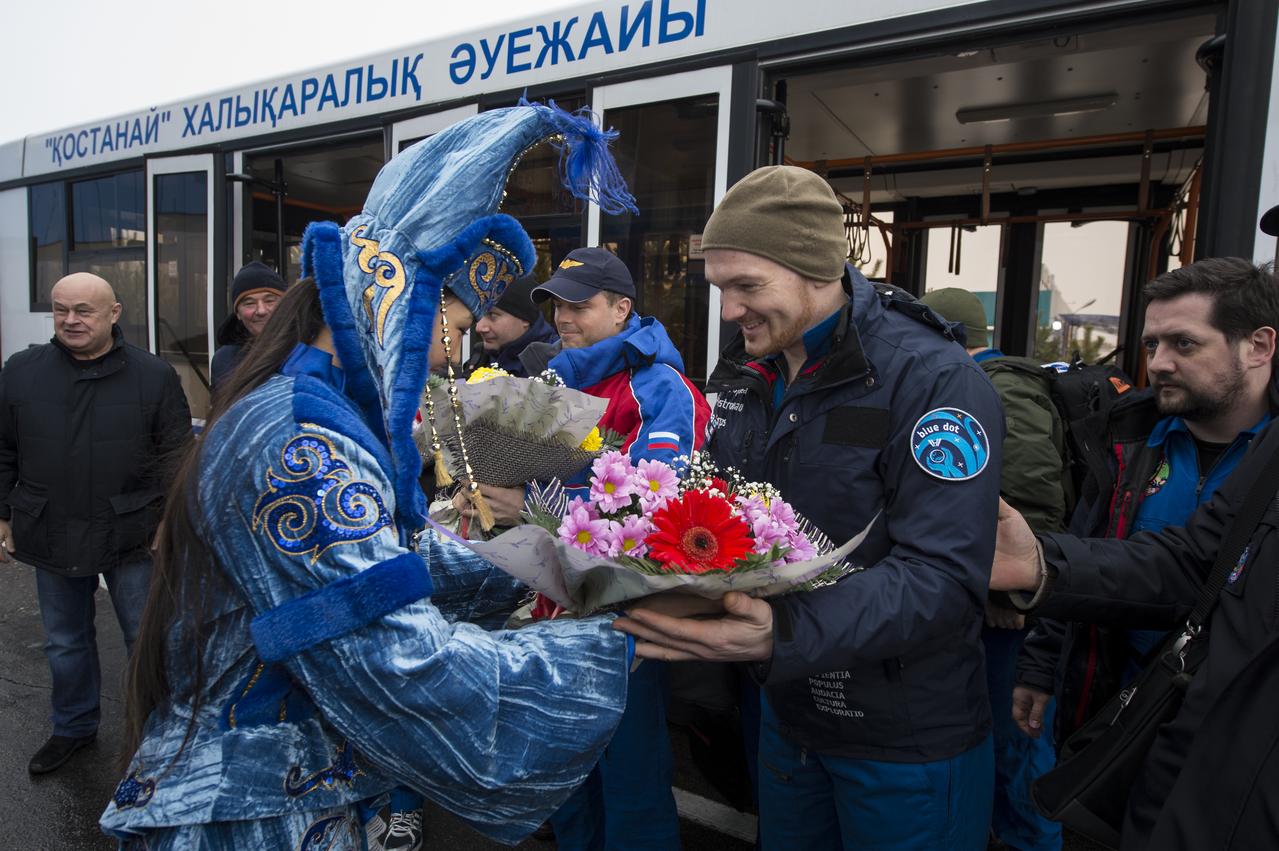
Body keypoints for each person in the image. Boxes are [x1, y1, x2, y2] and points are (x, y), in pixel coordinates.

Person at [98, 103, 642, 850]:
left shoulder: (311, 407)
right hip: (250, 811)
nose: (452, 356)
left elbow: (389, 559)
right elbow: (394, 657)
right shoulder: (303, 440)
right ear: (390, 299)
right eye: (450, 327)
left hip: (293, 789)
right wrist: (611, 639)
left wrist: (562, 571)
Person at [616, 165, 1005, 850]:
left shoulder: (933, 377)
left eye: (747, 287)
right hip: (788, 716)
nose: (729, 311)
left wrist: (780, 634)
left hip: (901, 737)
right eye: (720, 288)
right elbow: (723, 516)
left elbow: (944, 579)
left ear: (817, 268)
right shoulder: (747, 369)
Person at [458, 245, 710, 851]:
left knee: (629, 781)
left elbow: (653, 513)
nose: (564, 317)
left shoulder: (661, 388)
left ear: (622, 308)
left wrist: (535, 505)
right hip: (548, 602)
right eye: (555, 305)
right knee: (565, 777)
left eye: (580, 304)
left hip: (622, 614)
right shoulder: (549, 381)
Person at [1014, 258, 1277, 747]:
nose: (1158, 363)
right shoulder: (1124, 439)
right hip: (1115, 711)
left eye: (1184, 343)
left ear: (1258, 346)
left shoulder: (1269, 461)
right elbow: (1085, 545)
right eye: (1153, 344)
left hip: (1233, 731)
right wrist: (1042, 666)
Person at [0, 272, 191, 775]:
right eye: (61, 310)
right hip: (50, 528)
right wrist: (2, 512)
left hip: (130, 532)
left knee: (145, 640)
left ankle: (158, 739)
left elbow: (177, 457)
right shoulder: (21, 371)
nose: (70, 320)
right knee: (64, 641)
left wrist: (169, 520)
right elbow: (4, 449)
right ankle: (74, 728)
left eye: (83, 310)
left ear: (114, 313)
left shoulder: (153, 375)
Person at [920, 286, 1066, 851]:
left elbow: (1034, 502)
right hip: (984, 599)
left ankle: (1033, 842)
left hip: (1012, 611)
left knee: (1018, 743)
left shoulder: (999, 388)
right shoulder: (975, 384)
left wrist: (1009, 598)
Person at [210, 261, 289, 388]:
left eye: (269, 301)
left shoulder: (309, 350)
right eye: (249, 303)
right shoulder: (224, 360)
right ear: (238, 314)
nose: (261, 310)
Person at [460, 274, 556, 378]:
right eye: (479, 314)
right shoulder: (480, 357)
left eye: (492, 316)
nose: (479, 327)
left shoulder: (555, 363)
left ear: (525, 319)